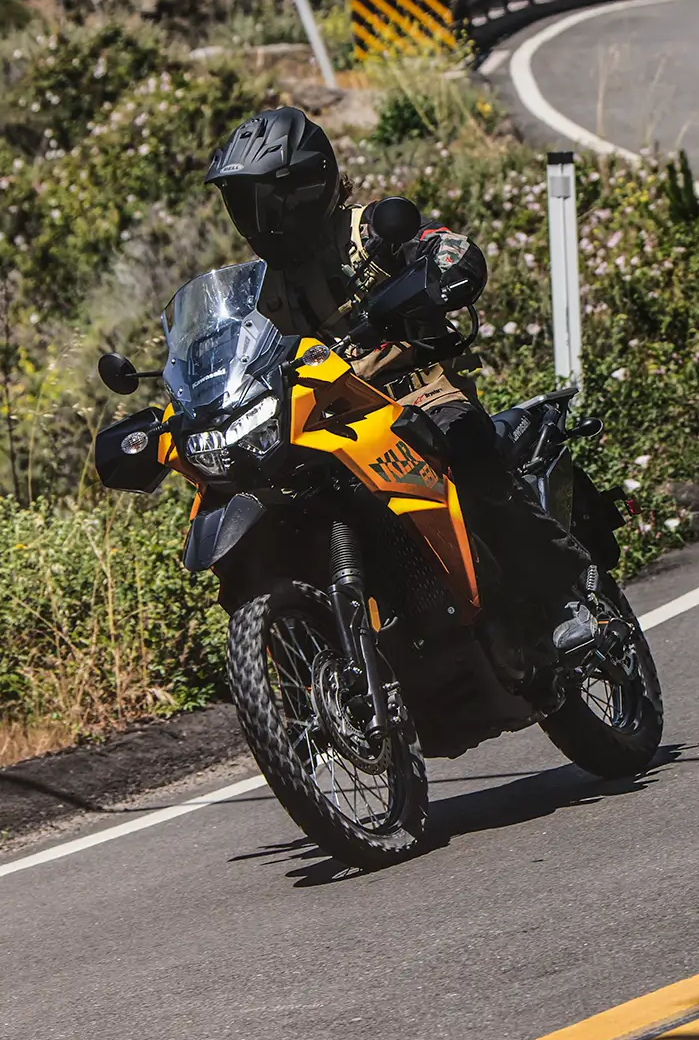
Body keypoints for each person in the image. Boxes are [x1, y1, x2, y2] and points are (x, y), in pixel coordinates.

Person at [202, 105, 597, 689]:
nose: (251, 219)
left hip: (420, 395)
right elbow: (239, 353)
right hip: (336, 423)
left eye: (260, 202)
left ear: (303, 190)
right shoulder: (265, 290)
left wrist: (444, 265)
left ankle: (563, 596)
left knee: (469, 463)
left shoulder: (368, 230)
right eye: (241, 204)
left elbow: (443, 247)